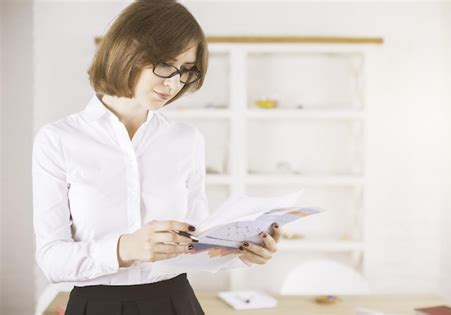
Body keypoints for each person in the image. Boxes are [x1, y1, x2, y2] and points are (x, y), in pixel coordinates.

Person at [32, 0, 281, 314]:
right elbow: (52, 260)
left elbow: (195, 243)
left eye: (186, 71)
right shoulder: (58, 140)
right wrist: (125, 248)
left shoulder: (186, 140)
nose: (174, 82)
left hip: (175, 302)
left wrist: (243, 252)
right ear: (127, 51)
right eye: (166, 64)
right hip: (95, 305)